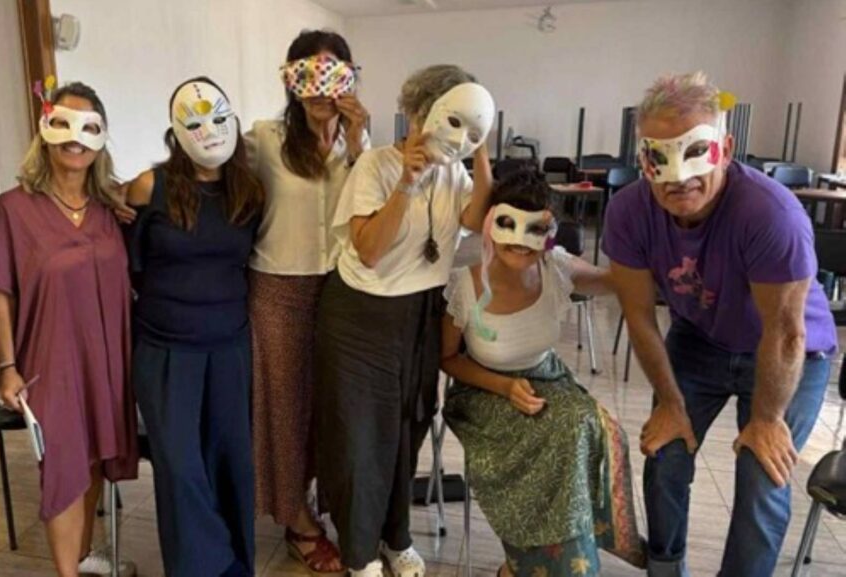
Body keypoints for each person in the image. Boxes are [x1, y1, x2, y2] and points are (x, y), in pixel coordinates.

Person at [603, 71, 837, 577]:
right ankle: (666, 570)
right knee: (665, 453)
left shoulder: (770, 214)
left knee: (761, 472)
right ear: (642, 157)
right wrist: (669, 403)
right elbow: (640, 317)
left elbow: (786, 331)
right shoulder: (628, 212)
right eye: (658, 157)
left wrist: (768, 421)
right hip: (700, 337)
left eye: (694, 152)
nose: (677, 175)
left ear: (726, 148)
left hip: (787, 349)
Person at [315, 64, 494, 577]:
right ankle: (359, 553)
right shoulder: (374, 166)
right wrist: (407, 186)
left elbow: (475, 220)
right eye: (450, 121)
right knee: (360, 439)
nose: (455, 135)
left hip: (420, 313)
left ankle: (396, 537)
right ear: (418, 115)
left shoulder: (454, 171)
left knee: (407, 430)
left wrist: (480, 148)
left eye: (468, 125)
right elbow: (369, 252)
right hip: (360, 316)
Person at [440, 170, 646, 577]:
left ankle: (583, 544)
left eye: (534, 230)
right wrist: (504, 386)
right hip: (483, 391)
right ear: (491, 226)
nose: (520, 241)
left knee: (593, 427)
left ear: (549, 230)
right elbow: (447, 359)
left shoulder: (556, 268)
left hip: (545, 377)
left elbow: (617, 282)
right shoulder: (466, 287)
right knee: (556, 438)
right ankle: (526, 564)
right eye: (508, 226)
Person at [0, 81, 139, 577]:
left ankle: (86, 556)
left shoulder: (111, 212)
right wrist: (7, 367)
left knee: (93, 459)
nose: (76, 138)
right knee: (64, 468)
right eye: (65, 123)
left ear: (100, 138)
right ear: (46, 130)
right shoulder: (13, 208)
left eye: (89, 126)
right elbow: (1, 293)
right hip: (48, 359)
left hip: (107, 357)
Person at [125, 77, 264, 577]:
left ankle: (233, 564)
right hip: (165, 349)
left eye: (218, 118)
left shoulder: (249, 191)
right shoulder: (149, 186)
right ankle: (204, 568)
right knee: (180, 469)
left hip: (229, 347)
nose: (208, 131)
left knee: (231, 464)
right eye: (195, 121)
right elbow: (125, 259)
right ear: (176, 130)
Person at [245, 29, 368, 574]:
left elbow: (373, 203)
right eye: (309, 75)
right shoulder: (263, 139)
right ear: (291, 79)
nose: (321, 89)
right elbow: (202, 171)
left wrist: (359, 138)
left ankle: (313, 497)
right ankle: (295, 517)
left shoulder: (354, 145)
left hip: (340, 291)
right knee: (285, 408)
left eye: (333, 74)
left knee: (328, 407)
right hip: (278, 290)